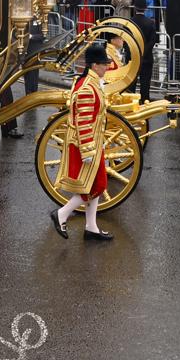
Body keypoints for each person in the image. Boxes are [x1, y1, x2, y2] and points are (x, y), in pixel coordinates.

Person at [50, 41, 117, 242]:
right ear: (95, 66)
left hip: (92, 144)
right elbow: (84, 121)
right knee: (97, 186)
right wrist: (89, 150)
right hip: (86, 146)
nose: (107, 67)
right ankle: (62, 214)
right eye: (104, 64)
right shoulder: (88, 87)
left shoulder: (89, 82)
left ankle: (91, 227)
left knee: (94, 185)